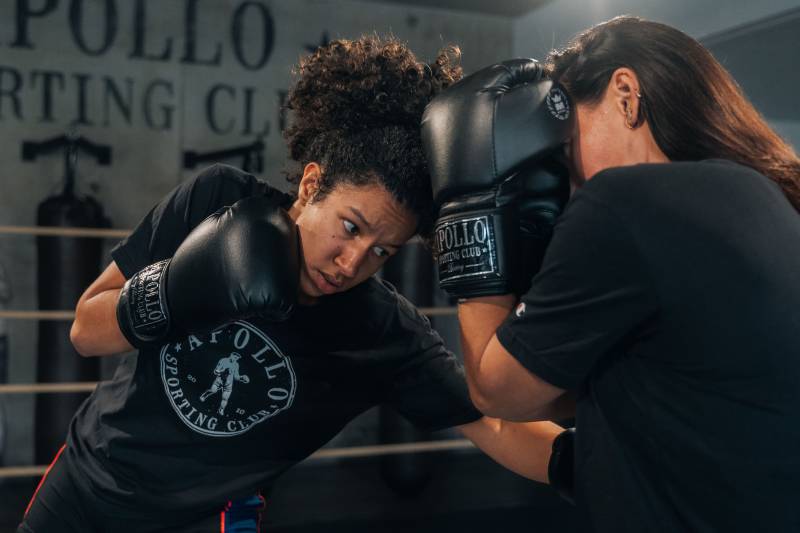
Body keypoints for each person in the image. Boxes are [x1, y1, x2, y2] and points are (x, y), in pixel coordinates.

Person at [18, 36, 568, 533]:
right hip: (84, 482)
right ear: (311, 184)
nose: (352, 263)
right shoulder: (216, 199)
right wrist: (175, 288)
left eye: (382, 251)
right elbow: (84, 332)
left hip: (206, 520)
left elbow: (494, 425)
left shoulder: (379, 329)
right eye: (350, 227)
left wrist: (588, 463)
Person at [422, 15, 800, 533]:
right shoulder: (764, 198)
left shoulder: (625, 201)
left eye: (565, 148)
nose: (570, 182)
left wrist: (471, 206)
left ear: (625, 95)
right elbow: (599, 405)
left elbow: (499, 391)